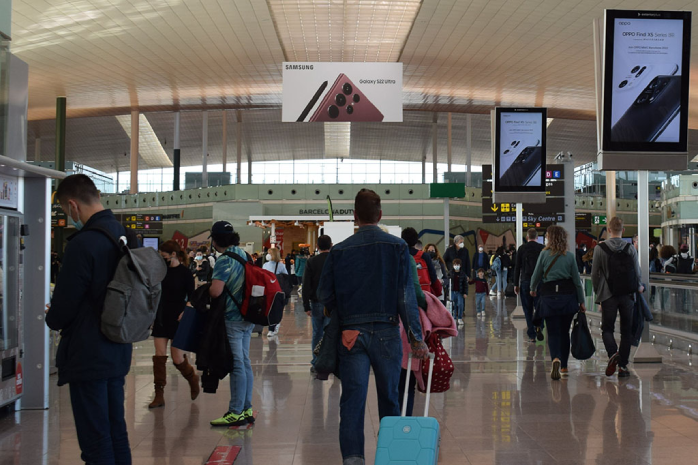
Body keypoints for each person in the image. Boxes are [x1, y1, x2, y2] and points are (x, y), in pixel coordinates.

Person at [317, 189, 427, 465]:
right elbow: (405, 297)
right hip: (388, 333)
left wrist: (342, 306)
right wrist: (416, 337)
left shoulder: (340, 251)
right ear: (380, 215)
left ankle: (354, 460)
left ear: (354, 216)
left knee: (352, 402)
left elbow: (323, 295)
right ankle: (391, 458)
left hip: (351, 334)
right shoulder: (398, 247)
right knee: (389, 399)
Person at [45, 174, 133, 464]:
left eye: (65, 211)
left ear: (72, 205)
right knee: (115, 430)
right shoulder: (123, 235)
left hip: (88, 351)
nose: (69, 217)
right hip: (119, 344)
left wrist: (52, 316)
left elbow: (63, 309)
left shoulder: (83, 244)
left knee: (95, 439)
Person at [208, 221, 255, 427]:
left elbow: (216, 291)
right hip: (249, 315)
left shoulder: (224, 260)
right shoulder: (245, 255)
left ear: (216, 240)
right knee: (244, 362)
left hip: (233, 317)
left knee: (237, 363)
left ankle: (235, 411)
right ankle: (246, 408)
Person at [530, 225, 586, 381]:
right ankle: (564, 367)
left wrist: (532, 289)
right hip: (567, 298)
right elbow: (576, 281)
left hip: (549, 298)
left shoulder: (544, 254)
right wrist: (581, 301)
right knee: (564, 332)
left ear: (550, 238)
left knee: (553, 332)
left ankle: (555, 358)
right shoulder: (569, 256)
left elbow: (536, 275)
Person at [592, 217, 644, 379]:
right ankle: (622, 366)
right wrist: (638, 287)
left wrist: (598, 294)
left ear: (608, 230)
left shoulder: (600, 249)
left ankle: (613, 353)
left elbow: (595, 274)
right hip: (628, 295)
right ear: (623, 229)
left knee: (607, 328)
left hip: (608, 295)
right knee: (626, 332)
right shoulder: (630, 248)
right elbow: (637, 273)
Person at [149, 240, 198, 408]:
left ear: (173, 255)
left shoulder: (185, 273)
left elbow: (193, 296)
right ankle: (159, 394)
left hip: (178, 317)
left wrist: (186, 310)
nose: (162, 259)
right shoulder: (160, 272)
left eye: (164, 256)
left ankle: (192, 377)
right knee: (159, 356)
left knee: (177, 358)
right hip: (161, 316)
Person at [302, 234, 332, 372]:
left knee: (317, 333)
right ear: (331, 245)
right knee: (331, 333)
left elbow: (306, 284)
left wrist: (306, 305)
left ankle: (316, 363)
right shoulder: (335, 261)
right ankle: (331, 362)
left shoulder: (312, 262)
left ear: (317, 247)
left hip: (316, 302)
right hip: (332, 303)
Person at [514, 228, 546, 343]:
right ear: (537, 237)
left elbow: (517, 267)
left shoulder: (522, 249)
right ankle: (539, 327)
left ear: (527, 237)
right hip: (540, 282)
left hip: (525, 281)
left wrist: (515, 284)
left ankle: (531, 335)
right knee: (539, 307)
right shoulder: (542, 248)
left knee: (527, 309)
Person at [401, 228, 441, 297]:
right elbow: (433, 277)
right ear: (416, 240)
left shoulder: (399, 255)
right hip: (424, 295)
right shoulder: (424, 256)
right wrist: (438, 292)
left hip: (404, 295)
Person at [263, 247, 288, 338]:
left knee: (274, 308)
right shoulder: (268, 265)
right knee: (271, 309)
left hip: (274, 290)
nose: (268, 255)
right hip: (273, 290)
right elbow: (286, 276)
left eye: (269, 253)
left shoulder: (278, 265)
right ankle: (273, 325)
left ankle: (273, 326)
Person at [449, 258, 468, 326]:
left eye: (458, 264)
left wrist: (465, 293)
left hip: (460, 292)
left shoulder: (463, 274)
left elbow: (465, 284)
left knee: (460, 305)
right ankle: (453, 318)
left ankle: (460, 318)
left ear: (460, 265)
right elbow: (448, 282)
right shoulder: (450, 273)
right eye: (455, 264)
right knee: (453, 305)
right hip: (452, 291)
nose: (456, 266)